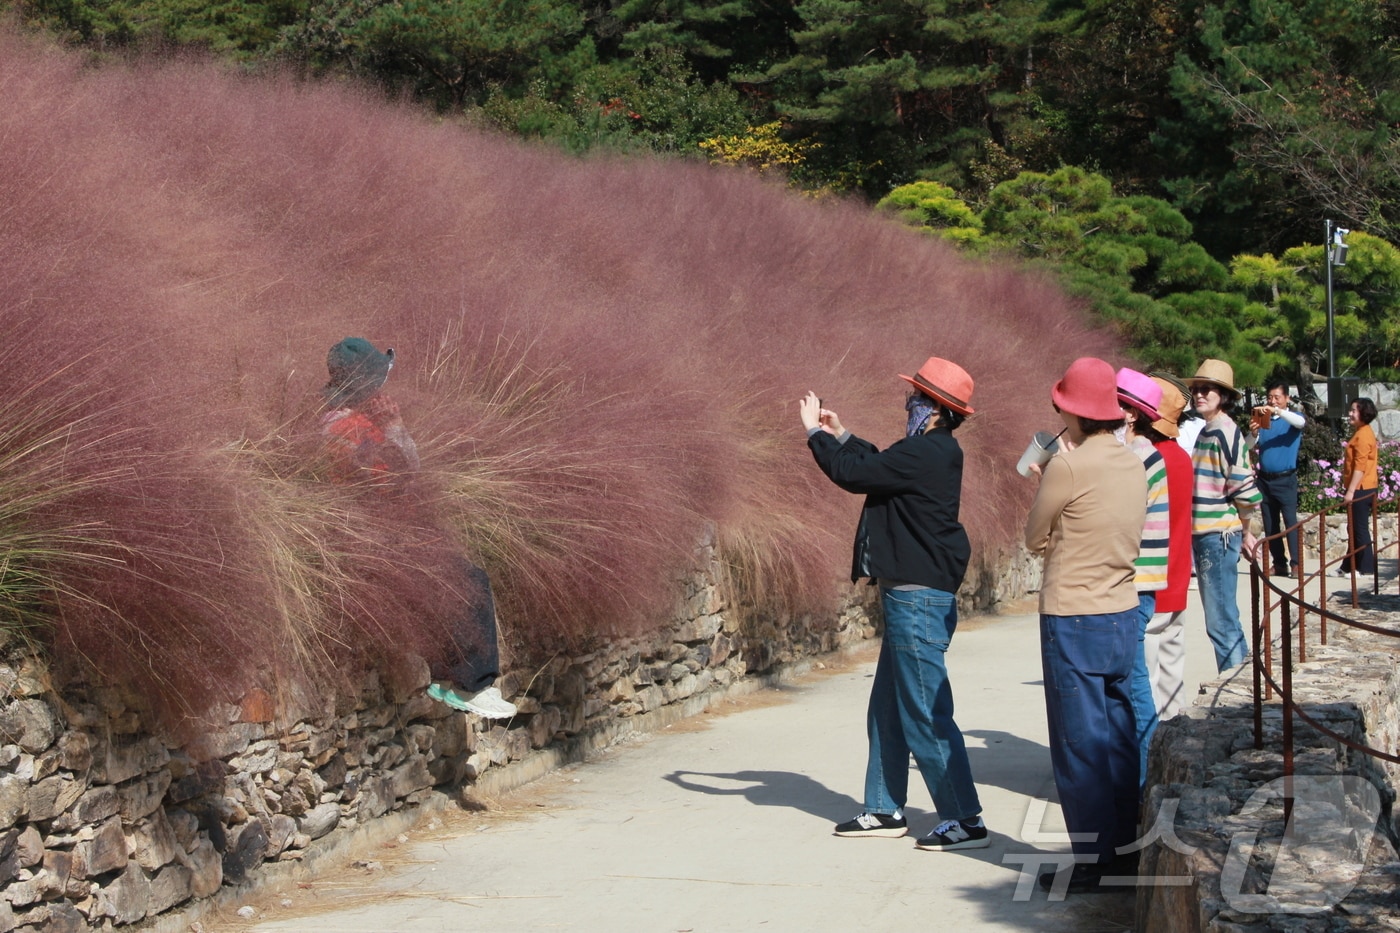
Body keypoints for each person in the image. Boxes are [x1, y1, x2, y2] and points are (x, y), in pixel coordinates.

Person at [800, 357, 987, 852]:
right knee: (887, 705)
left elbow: (858, 474)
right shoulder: (927, 452)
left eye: (916, 398)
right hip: (910, 595)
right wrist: (842, 434)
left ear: (934, 410)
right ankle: (884, 807)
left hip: (917, 599)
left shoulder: (930, 453)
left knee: (925, 710)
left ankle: (964, 818)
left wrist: (816, 436)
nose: (909, 404)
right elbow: (877, 464)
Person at [320, 337, 517, 719]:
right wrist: (393, 426)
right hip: (373, 538)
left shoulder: (347, 422)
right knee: (465, 579)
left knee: (459, 575)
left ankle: (462, 682)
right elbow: (400, 476)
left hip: (377, 531)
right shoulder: (349, 428)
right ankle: (466, 685)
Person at [1024, 357, 1146, 894]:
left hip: (1073, 614)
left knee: (1080, 741)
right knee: (1119, 735)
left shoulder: (1066, 467)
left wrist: (1047, 477)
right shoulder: (1133, 462)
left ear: (1070, 410)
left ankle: (1095, 858)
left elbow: (1034, 536)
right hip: (1122, 609)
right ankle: (1126, 847)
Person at [1188, 359, 1261, 673]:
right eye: (1197, 389)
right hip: (1211, 533)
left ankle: (1236, 692)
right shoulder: (1209, 430)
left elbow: (1244, 488)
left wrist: (1245, 531)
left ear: (1224, 396)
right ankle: (1242, 683)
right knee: (1222, 619)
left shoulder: (1223, 432)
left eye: (1207, 390)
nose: (1200, 395)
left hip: (1217, 534)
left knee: (1221, 621)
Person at [1114, 368, 1167, 787]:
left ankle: (1145, 782)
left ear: (1132, 414)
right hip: (1137, 583)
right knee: (1128, 684)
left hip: (1133, 584)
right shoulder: (1141, 455)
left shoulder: (1138, 457)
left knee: (1133, 687)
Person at [1141, 378, 1193, 722]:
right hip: (1176, 578)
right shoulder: (1181, 458)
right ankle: (1178, 737)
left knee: (1146, 678)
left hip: (1151, 581)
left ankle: (1149, 751)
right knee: (1172, 673)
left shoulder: (1148, 461)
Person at [1251, 381, 1305, 576]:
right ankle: (1279, 563)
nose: (1272, 401)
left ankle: (1296, 563)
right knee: (1270, 523)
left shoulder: (1292, 418)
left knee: (1290, 521)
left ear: (1286, 399)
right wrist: (1253, 432)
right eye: (1270, 397)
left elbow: (1300, 423)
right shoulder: (1265, 421)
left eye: (1277, 397)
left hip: (1285, 479)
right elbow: (1249, 445)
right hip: (1265, 479)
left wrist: (1279, 411)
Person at [1340, 397, 1380, 575]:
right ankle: (1348, 566)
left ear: (1364, 413)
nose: (1350, 413)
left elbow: (1360, 467)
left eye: (1354, 410)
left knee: (1359, 528)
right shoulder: (1361, 431)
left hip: (1362, 487)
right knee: (1353, 526)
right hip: (1361, 486)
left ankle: (1366, 567)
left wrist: (1350, 491)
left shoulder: (1363, 435)